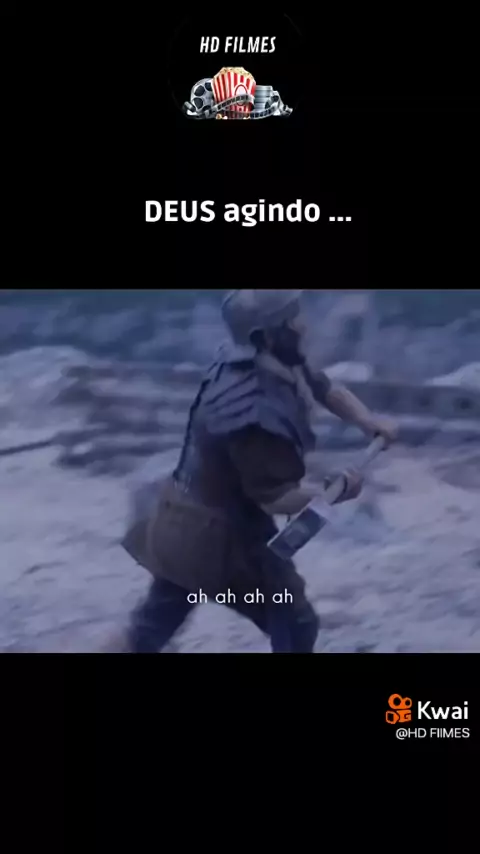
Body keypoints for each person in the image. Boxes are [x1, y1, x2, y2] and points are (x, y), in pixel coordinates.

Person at [115, 290, 397, 653]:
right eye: (292, 319)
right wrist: (337, 490)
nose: (303, 325)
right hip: (220, 542)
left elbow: (323, 386)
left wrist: (368, 421)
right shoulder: (255, 410)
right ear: (268, 335)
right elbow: (275, 498)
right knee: (294, 622)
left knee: (150, 629)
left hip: (179, 525)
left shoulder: (264, 359)